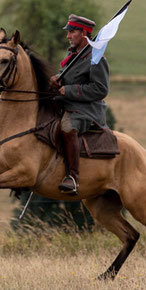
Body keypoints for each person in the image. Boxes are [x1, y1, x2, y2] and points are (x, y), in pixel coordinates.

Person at [50, 14, 110, 195]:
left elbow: (101, 89)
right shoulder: (73, 54)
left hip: (86, 111)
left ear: (84, 34)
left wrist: (68, 91)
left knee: (67, 127)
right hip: (68, 104)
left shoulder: (96, 58)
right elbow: (66, 76)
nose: (68, 36)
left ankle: (73, 177)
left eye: (72, 32)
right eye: (68, 32)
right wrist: (56, 81)